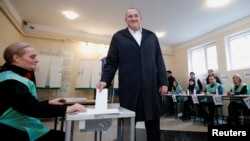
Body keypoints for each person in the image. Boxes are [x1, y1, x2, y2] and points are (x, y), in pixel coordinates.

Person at [96, 8, 168, 141]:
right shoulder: (118, 37)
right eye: (130, 16)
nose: (133, 18)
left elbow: (159, 60)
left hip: (150, 87)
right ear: (125, 20)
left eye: (136, 16)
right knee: (128, 126)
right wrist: (105, 80)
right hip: (130, 88)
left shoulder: (151, 36)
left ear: (140, 18)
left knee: (153, 124)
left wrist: (163, 81)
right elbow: (111, 62)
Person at [0, 42, 87, 141]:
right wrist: (68, 108)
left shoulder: (8, 75)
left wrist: (49, 102)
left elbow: (22, 103)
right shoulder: (11, 81)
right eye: (32, 57)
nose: (37, 60)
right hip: (9, 129)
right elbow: (32, 109)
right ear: (16, 58)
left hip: (17, 123)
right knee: (61, 137)